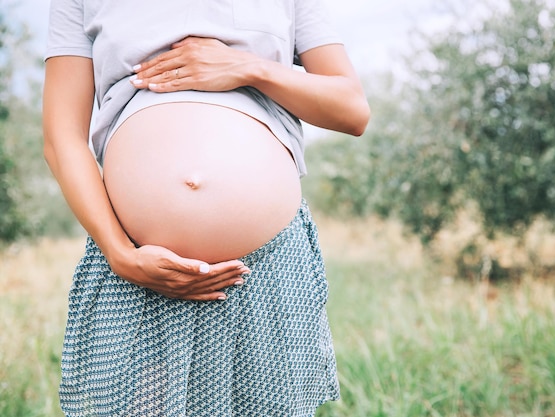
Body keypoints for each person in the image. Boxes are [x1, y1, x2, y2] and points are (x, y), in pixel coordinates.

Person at [42, 0, 369, 416]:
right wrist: (120, 254)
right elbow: (61, 137)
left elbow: (352, 110)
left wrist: (249, 67)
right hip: (141, 268)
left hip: (264, 266)